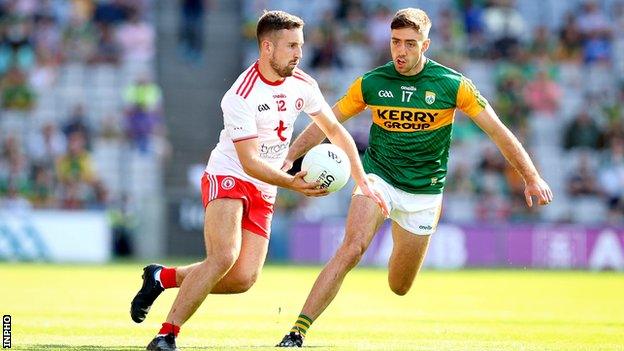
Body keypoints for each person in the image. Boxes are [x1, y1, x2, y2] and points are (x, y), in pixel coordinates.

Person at [276, 8, 553, 348]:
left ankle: (400, 239)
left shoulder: (453, 85)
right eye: (395, 42)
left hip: (424, 194)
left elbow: (498, 132)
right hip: (377, 178)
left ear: (426, 45)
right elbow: (326, 123)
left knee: (399, 285)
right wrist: (289, 157)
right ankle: (297, 331)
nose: (401, 51)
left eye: (410, 43)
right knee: (352, 248)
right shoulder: (372, 82)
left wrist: (532, 176)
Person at [129, 10, 384, 351]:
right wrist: (292, 183)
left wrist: (360, 178)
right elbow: (249, 163)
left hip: (266, 184)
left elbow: (335, 131)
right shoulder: (241, 95)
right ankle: (166, 335)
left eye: (301, 46)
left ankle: (162, 277)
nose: (299, 54)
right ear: (267, 47)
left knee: (243, 279)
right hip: (231, 174)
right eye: (292, 46)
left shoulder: (304, 84)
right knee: (223, 257)